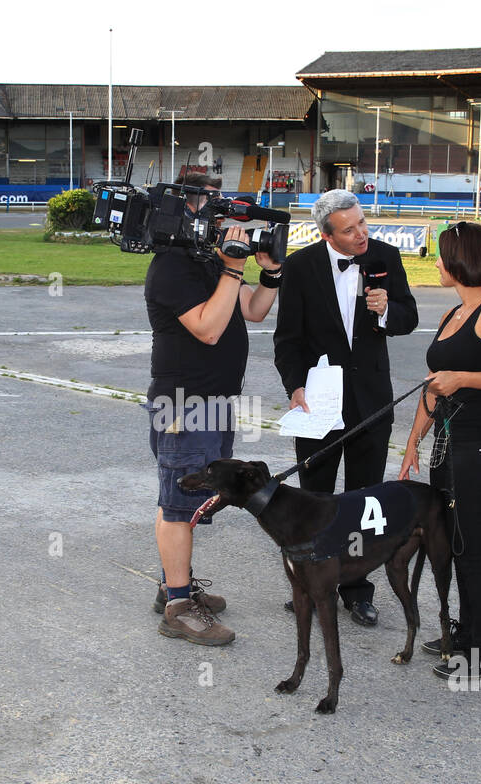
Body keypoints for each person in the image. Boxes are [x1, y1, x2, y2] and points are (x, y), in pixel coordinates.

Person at [146, 174, 281, 645]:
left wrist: (270, 272)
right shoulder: (171, 267)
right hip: (186, 402)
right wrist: (230, 269)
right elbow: (207, 328)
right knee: (178, 504)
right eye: (210, 204)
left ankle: (172, 587)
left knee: (190, 500)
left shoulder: (206, 261)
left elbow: (253, 311)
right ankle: (179, 607)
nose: (221, 215)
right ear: (185, 208)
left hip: (214, 400)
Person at [273, 188, 418, 626]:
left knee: (363, 500)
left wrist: (388, 308)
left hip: (370, 403)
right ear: (326, 235)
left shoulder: (386, 258)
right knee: (313, 499)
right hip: (318, 404)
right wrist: (295, 387)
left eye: (363, 224)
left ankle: (358, 590)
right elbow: (288, 339)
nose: (361, 235)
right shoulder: (299, 268)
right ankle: (309, 584)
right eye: (350, 229)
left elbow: (409, 319)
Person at [398, 222, 481, 679]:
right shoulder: (453, 314)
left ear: (459, 259)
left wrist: (464, 378)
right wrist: (412, 443)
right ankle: (466, 632)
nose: (435, 262)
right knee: (454, 547)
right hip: (448, 448)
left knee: (472, 551)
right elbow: (433, 388)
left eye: (440, 255)